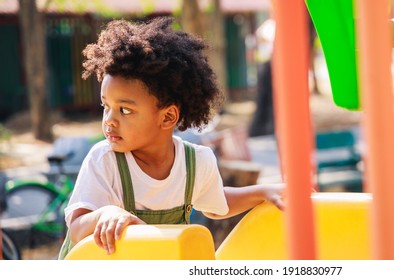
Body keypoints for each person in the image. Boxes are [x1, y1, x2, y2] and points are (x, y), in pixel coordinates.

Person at [58, 17, 285, 259]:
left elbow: (218, 204)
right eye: (106, 106)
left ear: (167, 117)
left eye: (125, 110)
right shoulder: (104, 160)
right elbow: (77, 225)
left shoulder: (195, 161)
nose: (109, 120)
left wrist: (263, 192)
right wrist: (105, 215)